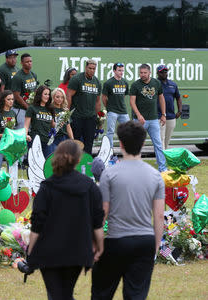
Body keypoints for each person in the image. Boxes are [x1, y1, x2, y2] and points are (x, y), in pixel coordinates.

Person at [91, 121, 165, 300]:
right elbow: (159, 215)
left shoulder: (110, 174)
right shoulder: (156, 176)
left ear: (121, 144)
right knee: (136, 295)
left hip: (116, 241)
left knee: (102, 292)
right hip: (144, 241)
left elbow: (103, 212)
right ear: (142, 143)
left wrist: (96, 244)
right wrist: (155, 245)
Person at [28, 140, 104, 300]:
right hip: (77, 251)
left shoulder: (47, 187)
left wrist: (31, 249)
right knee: (64, 293)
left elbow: (37, 222)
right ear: (78, 160)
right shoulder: (89, 187)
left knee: (56, 294)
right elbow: (98, 219)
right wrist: (99, 245)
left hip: (48, 250)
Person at [130, 64, 167, 172]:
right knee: (137, 145)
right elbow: (132, 102)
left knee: (158, 145)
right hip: (139, 121)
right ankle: (135, 167)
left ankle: (163, 169)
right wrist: (139, 115)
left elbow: (161, 98)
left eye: (145, 73)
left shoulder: (156, 83)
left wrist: (163, 114)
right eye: (141, 73)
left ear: (149, 73)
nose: (142, 75)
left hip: (154, 120)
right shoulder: (135, 85)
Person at [67, 59, 102, 155]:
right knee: (76, 143)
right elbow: (69, 96)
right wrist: (66, 113)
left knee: (89, 144)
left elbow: (98, 101)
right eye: (90, 68)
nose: (92, 70)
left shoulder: (97, 82)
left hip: (91, 118)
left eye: (94, 69)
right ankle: (75, 164)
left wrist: (99, 118)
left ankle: (87, 165)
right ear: (86, 67)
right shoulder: (77, 79)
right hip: (77, 116)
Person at [102, 62, 129, 148]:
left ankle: (128, 150)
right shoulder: (108, 83)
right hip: (112, 111)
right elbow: (104, 97)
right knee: (110, 132)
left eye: (122, 70)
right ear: (114, 71)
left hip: (123, 111)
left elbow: (123, 96)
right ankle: (110, 151)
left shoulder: (125, 82)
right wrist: (109, 108)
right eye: (119, 70)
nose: (121, 72)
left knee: (128, 130)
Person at [25, 85, 55, 158]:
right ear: (39, 95)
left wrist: (61, 121)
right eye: (45, 94)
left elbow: (53, 125)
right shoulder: (32, 108)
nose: (47, 96)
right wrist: (25, 135)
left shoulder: (50, 109)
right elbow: (26, 125)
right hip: (35, 140)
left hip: (48, 141)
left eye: (48, 94)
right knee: (34, 164)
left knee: (47, 165)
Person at [0, 90, 17, 170]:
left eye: (12, 99)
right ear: (3, 100)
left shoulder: (13, 113)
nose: (11, 101)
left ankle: (10, 182)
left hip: (10, 145)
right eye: (8, 99)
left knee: (12, 169)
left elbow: (14, 129)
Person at [157, 64, 182, 150]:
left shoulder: (173, 84)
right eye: (162, 72)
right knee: (161, 139)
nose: (164, 73)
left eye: (165, 71)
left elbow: (178, 98)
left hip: (171, 116)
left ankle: (164, 159)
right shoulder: (155, 84)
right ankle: (162, 161)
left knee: (167, 140)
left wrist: (179, 110)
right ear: (158, 73)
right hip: (159, 116)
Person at [11, 53, 38, 130]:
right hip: (20, 109)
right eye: (27, 62)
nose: (29, 63)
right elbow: (16, 96)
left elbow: (35, 91)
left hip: (31, 107)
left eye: (30, 61)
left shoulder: (33, 75)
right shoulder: (18, 77)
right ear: (21, 63)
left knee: (31, 131)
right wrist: (28, 107)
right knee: (22, 131)